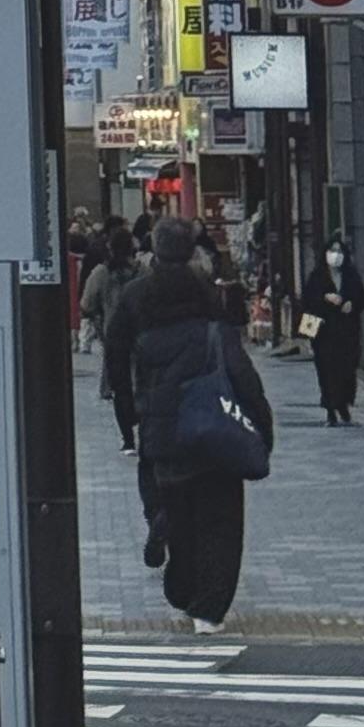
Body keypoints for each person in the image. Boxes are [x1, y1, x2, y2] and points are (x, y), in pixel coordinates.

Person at [106, 215, 274, 627]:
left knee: (179, 511)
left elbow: (114, 357)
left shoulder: (134, 296)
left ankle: (177, 573)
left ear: (154, 248)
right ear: (192, 248)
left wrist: (128, 419)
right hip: (213, 419)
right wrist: (260, 424)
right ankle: (209, 608)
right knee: (220, 519)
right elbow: (237, 365)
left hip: (162, 425)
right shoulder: (207, 295)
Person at [298, 235, 364, 425]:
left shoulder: (351, 276)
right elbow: (307, 302)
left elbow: (363, 299)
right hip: (324, 333)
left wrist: (351, 304)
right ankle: (330, 409)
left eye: (339, 251)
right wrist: (325, 298)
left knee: (347, 370)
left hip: (347, 333)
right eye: (332, 251)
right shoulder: (317, 276)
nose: (335, 255)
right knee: (327, 370)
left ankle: (343, 404)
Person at [84, 218, 137, 374]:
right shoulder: (143, 272)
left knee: (116, 377)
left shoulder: (101, 273)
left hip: (111, 329)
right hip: (140, 332)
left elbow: (87, 304)